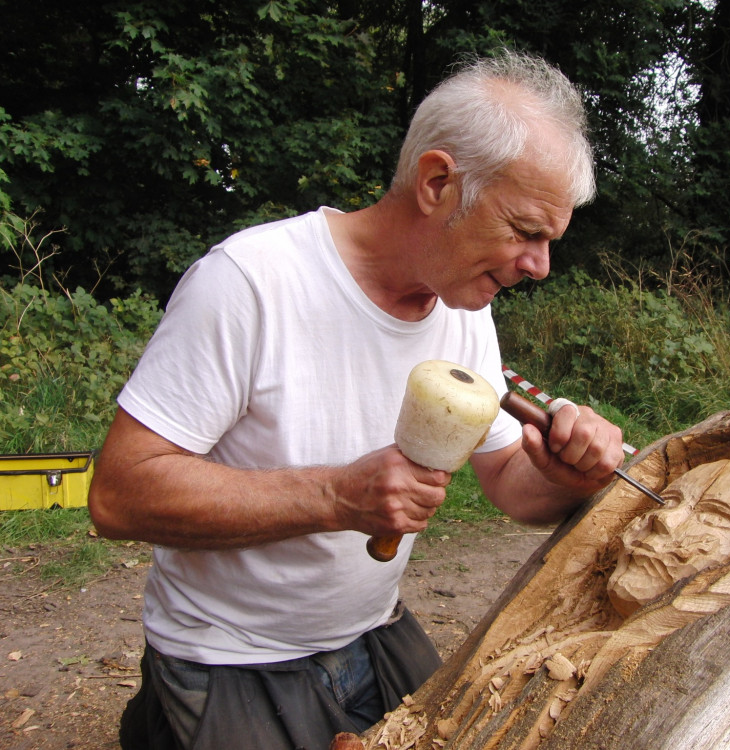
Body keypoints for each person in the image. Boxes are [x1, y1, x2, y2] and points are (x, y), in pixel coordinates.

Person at [87, 50, 625, 750]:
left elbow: (509, 484)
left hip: (370, 633)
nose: (540, 266)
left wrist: (561, 477)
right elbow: (118, 497)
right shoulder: (252, 283)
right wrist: (336, 498)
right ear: (438, 182)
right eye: (526, 231)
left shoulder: (462, 311)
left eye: (549, 241)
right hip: (226, 654)